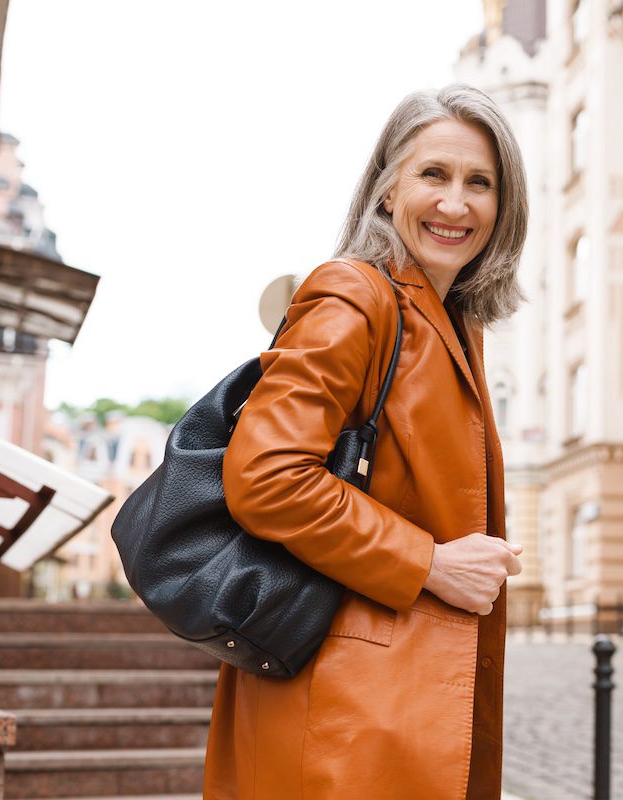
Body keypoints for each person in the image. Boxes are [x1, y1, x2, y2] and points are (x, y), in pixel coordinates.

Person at [203, 83, 528, 800]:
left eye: (481, 183)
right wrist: (430, 562)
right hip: (344, 715)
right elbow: (266, 477)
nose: (456, 204)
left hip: (390, 705)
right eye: (433, 175)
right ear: (387, 191)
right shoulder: (355, 295)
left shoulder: (452, 325)